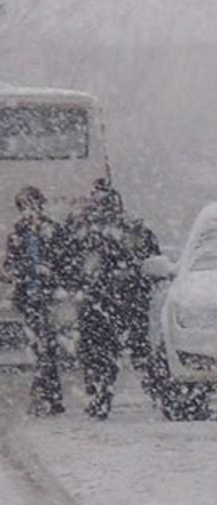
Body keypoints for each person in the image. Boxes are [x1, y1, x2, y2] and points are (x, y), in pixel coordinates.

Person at [66, 178, 161, 419]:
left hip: (101, 303)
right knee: (133, 352)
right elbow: (150, 262)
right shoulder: (129, 230)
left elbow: (68, 266)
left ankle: (102, 393)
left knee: (101, 354)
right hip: (118, 303)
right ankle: (157, 393)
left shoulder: (84, 231)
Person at [1, 186, 70, 416]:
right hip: (29, 299)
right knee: (43, 348)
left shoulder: (54, 231)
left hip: (50, 299)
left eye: (32, 205)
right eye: (23, 206)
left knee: (46, 347)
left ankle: (44, 396)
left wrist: (51, 275)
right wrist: (15, 274)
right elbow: (10, 265)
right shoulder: (17, 234)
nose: (28, 211)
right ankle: (50, 397)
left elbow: (67, 263)